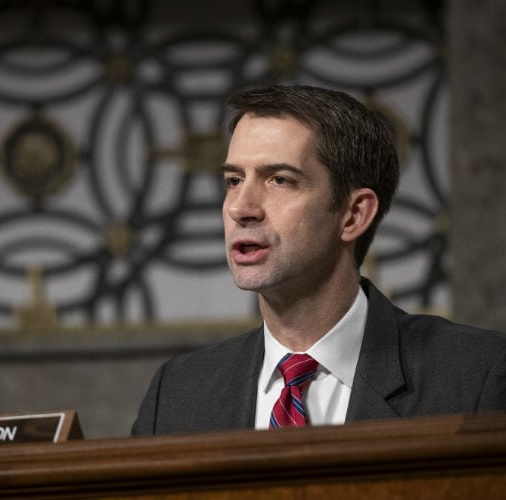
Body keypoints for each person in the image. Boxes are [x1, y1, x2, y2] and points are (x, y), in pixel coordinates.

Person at [131, 84, 506, 436]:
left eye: (279, 179)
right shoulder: (177, 394)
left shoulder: (479, 374)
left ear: (354, 214)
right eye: (233, 180)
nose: (240, 208)